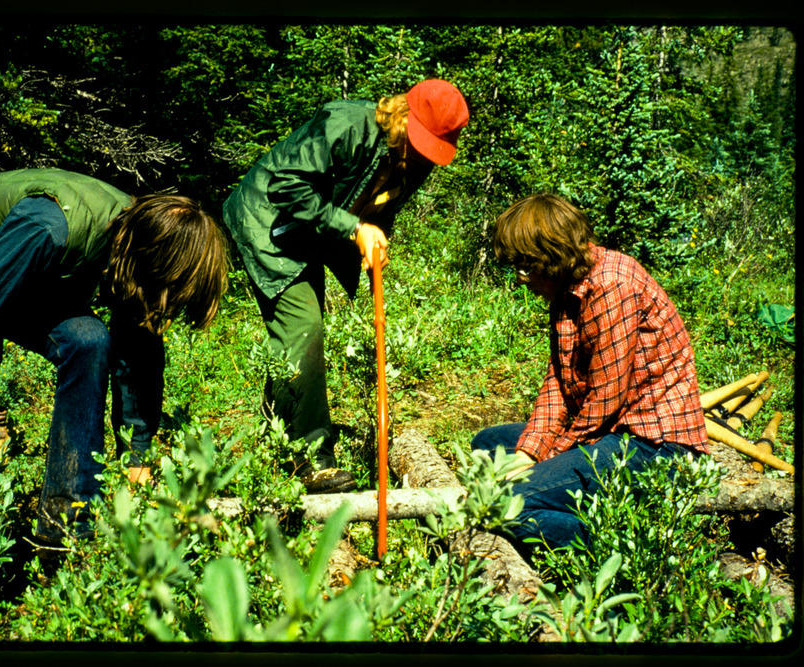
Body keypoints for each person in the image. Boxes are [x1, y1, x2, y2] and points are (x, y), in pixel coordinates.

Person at [0, 167, 228, 546]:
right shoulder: (52, 226)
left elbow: (139, 351)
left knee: (87, 340)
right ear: (156, 260)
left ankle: (65, 524)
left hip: (20, 270)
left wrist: (137, 455)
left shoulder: (135, 244)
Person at [222, 79, 469, 493]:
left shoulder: (412, 157)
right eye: (422, 142)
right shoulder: (346, 124)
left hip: (306, 235)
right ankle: (311, 460)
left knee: (295, 340)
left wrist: (373, 247)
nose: (425, 156)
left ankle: (274, 445)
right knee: (304, 327)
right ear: (405, 117)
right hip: (269, 221)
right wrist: (353, 228)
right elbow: (287, 189)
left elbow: (381, 207)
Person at [471, 193, 709, 551]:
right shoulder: (567, 291)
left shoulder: (613, 286)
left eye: (526, 267)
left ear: (550, 260)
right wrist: (527, 454)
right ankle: (578, 508)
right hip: (608, 433)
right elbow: (558, 385)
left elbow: (604, 402)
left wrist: (548, 457)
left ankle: (620, 543)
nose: (522, 279)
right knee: (489, 445)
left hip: (653, 447)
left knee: (507, 503)